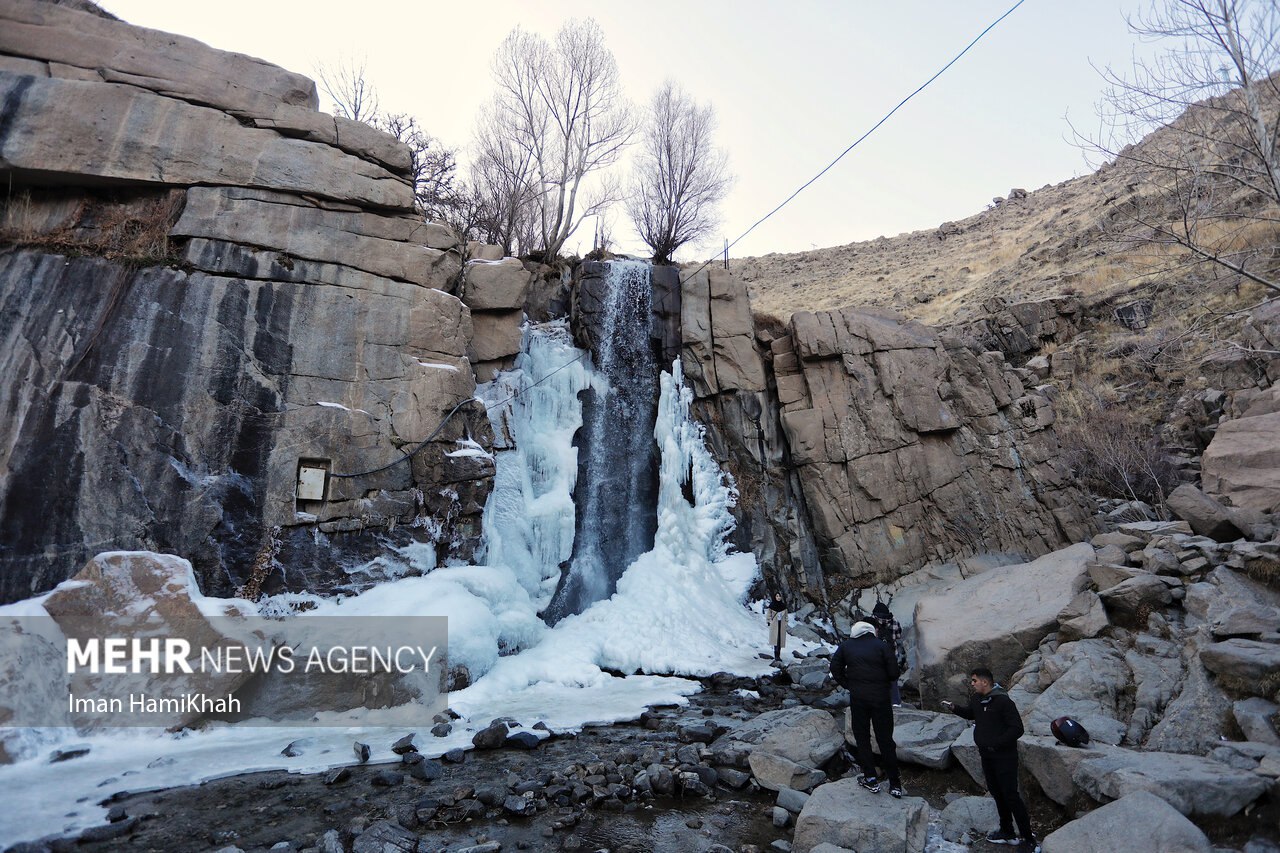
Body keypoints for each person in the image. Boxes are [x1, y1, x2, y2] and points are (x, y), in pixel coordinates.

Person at [942, 668, 1037, 851]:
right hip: (986, 756)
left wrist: (997, 743)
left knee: (1011, 795)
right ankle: (1007, 831)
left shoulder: (1003, 701)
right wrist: (954, 708)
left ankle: (1028, 838)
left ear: (985, 682)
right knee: (997, 793)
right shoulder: (978, 699)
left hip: (1004, 757)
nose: (972, 683)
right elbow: (972, 713)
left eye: (974, 680)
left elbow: (1017, 729)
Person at [829, 620, 904, 798]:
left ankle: (870, 778)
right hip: (881, 699)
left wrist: (849, 684)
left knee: (862, 738)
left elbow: (834, 668)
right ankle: (895, 784)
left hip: (859, 699)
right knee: (885, 740)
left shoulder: (846, 646)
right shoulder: (882, 646)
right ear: (872, 630)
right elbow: (894, 673)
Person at [870, 601, 906, 706]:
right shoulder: (894, 621)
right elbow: (899, 635)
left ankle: (878, 701)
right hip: (891, 654)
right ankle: (895, 702)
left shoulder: (872, 621)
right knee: (893, 679)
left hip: (876, 656)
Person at [766, 591, 787, 661]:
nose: (778, 597)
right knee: (776, 640)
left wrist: (786, 622)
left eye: (779, 596)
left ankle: (779, 655)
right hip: (774, 625)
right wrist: (769, 621)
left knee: (780, 641)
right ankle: (776, 656)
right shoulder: (772, 605)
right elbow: (768, 615)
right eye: (777, 596)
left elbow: (786, 616)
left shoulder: (783, 606)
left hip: (781, 624)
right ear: (775, 597)